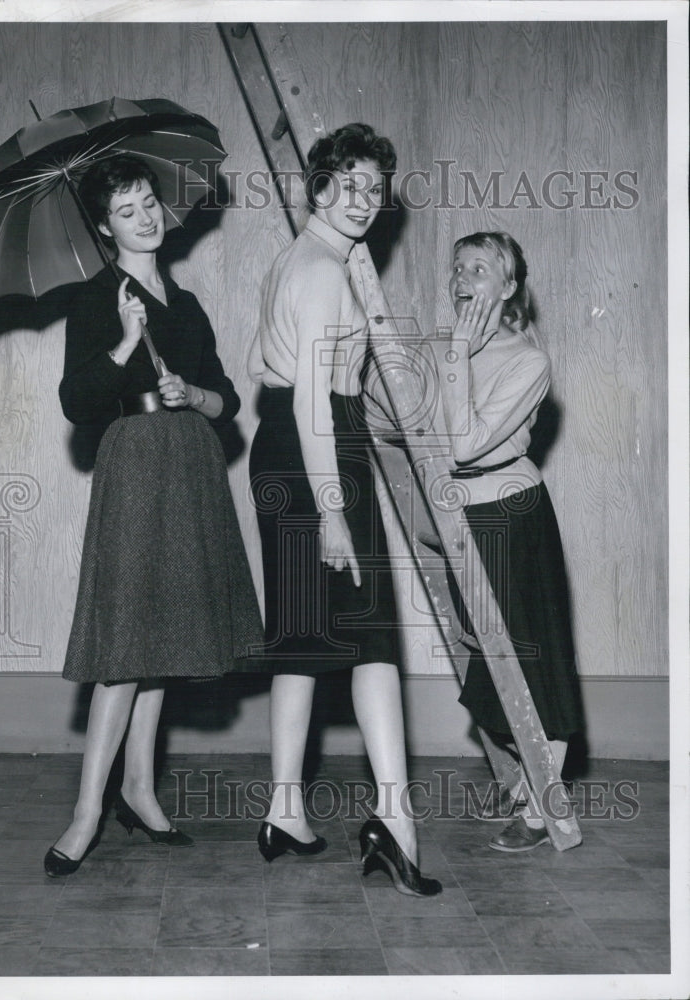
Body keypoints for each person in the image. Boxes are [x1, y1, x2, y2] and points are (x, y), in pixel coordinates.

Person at [44, 154, 263, 877]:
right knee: (128, 644)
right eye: (128, 210)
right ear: (105, 228)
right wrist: (127, 341)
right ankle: (86, 813)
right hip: (134, 466)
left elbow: (228, 399)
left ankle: (139, 788)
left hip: (190, 461)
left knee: (164, 636)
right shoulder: (95, 298)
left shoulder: (191, 306)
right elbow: (76, 403)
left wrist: (190, 395)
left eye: (149, 205)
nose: (146, 218)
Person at [247, 123, 442, 896]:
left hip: (283, 449)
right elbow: (317, 406)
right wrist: (331, 508)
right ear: (319, 185)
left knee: (300, 634)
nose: (365, 200)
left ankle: (283, 809)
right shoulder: (327, 270)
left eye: (375, 187)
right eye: (349, 184)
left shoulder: (295, 258)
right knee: (371, 641)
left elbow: (266, 366)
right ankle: (397, 825)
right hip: (320, 453)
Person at [433, 230, 585, 852]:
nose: (465, 277)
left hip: (510, 514)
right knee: (483, 655)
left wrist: (455, 359)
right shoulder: (446, 350)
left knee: (527, 656)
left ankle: (543, 802)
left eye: (482, 268)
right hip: (457, 515)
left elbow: (464, 445)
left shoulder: (528, 360)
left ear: (508, 288)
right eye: (459, 266)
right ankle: (526, 778)